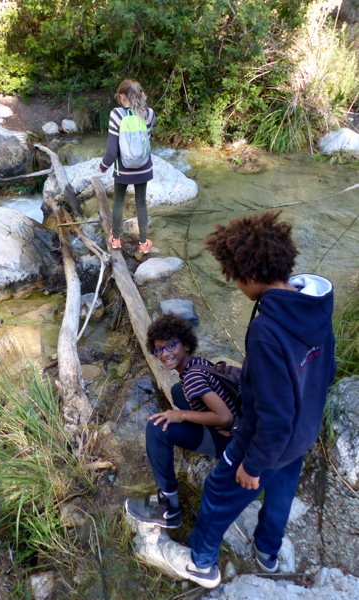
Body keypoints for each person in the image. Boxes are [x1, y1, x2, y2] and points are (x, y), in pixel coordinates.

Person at [136, 211, 336, 590]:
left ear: (249, 275)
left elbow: (274, 415)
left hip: (266, 440)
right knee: (281, 491)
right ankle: (267, 552)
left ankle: (202, 564)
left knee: (218, 492)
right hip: (303, 432)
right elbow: (326, 371)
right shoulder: (315, 305)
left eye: (234, 277)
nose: (236, 284)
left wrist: (253, 464)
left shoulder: (266, 330)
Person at [125, 312, 237, 529]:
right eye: (159, 350)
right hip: (239, 430)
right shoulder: (198, 363)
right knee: (178, 391)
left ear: (186, 344)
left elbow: (225, 417)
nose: (164, 354)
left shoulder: (192, 377)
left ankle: (168, 507)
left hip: (230, 443)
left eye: (170, 346)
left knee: (156, 427)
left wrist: (181, 415)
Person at [99, 79, 156, 254]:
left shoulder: (117, 114)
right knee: (141, 203)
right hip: (143, 167)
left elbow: (112, 150)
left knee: (118, 201)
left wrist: (103, 166)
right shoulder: (149, 114)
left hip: (123, 168)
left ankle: (116, 239)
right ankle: (143, 243)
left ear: (122, 96)